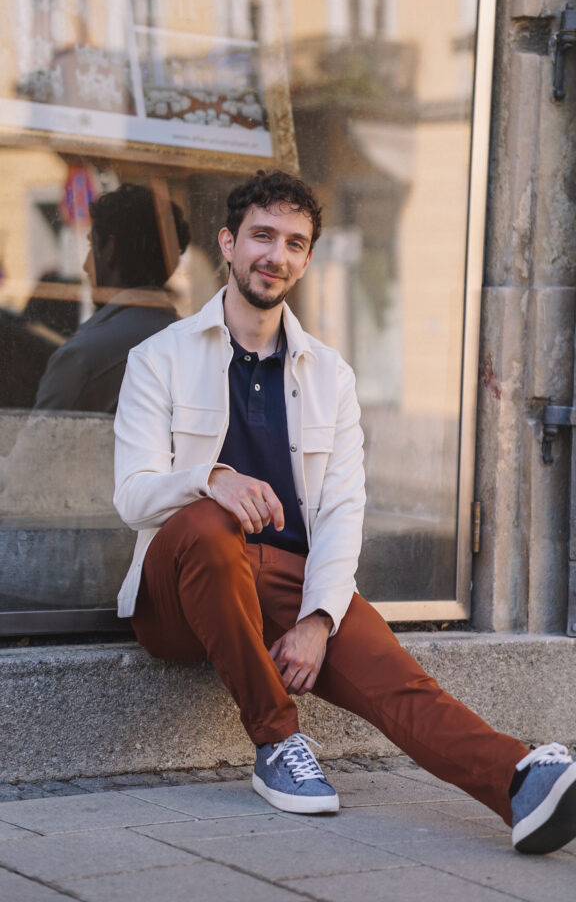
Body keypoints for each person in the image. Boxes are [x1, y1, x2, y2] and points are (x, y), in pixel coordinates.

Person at [113, 169, 576, 855]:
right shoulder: (159, 358)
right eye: (262, 236)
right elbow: (132, 493)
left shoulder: (329, 374)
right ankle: (276, 741)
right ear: (229, 244)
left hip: (286, 581)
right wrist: (209, 478)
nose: (276, 255)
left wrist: (319, 618)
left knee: (399, 681)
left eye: (295, 243)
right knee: (210, 528)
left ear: (304, 259)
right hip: (180, 591)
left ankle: (518, 785)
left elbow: (341, 510)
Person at [34, 183, 190, 413]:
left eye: (91, 246)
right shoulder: (193, 346)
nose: (86, 266)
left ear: (110, 249)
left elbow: (35, 446)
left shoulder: (83, 357)